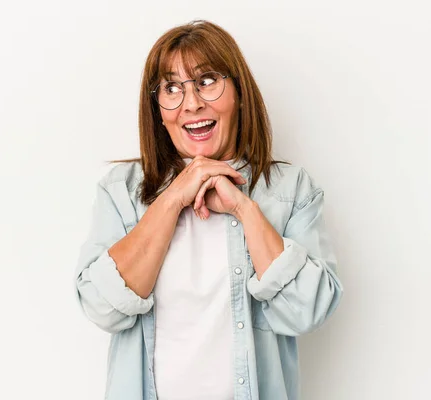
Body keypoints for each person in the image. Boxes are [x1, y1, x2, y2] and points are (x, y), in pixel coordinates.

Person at [74, 20, 343, 400]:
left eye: (207, 81)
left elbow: (309, 311)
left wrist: (245, 209)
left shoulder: (290, 189)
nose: (192, 103)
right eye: (171, 88)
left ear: (239, 93)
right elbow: (101, 307)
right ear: (158, 111)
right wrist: (172, 198)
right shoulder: (122, 190)